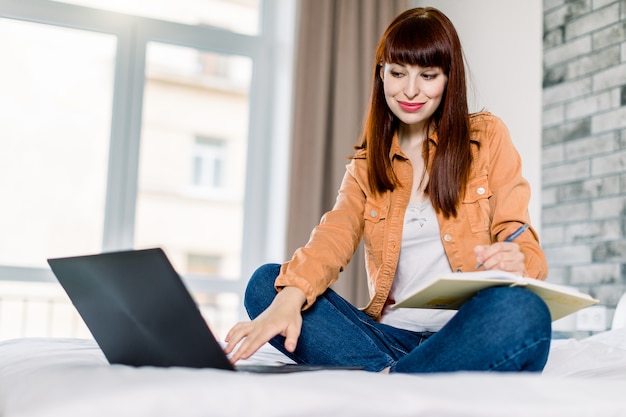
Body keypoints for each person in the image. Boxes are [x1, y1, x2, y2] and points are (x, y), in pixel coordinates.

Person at [225, 7, 551, 373]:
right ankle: (408, 374)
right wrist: (291, 297)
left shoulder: (487, 137)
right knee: (267, 284)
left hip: (465, 331)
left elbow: (522, 241)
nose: (410, 90)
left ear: (448, 79)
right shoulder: (367, 165)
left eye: (428, 75)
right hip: (389, 339)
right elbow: (333, 236)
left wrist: (520, 260)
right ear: (381, 73)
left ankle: (391, 379)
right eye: (397, 73)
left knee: (524, 312)